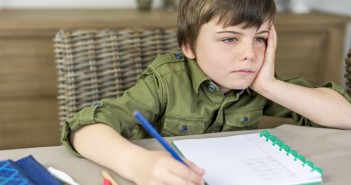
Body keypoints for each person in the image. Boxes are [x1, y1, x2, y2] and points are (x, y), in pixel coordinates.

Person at [61, 0, 351, 184]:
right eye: (230, 39)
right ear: (189, 45)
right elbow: (83, 129)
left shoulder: (258, 83)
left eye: (260, 39)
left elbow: (345, 115)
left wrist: (268, 86)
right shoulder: (165, 81)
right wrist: (138, 164)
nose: (250, 54)